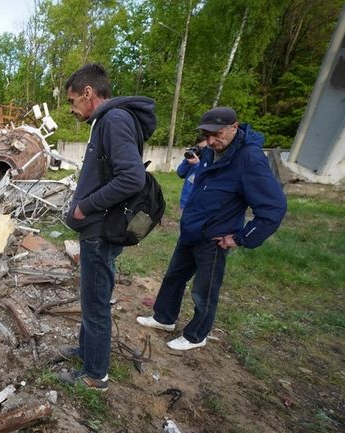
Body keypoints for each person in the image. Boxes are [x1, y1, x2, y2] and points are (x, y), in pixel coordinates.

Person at [136, 107, 287, 351]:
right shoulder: (210, 151)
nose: (211, 140)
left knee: (204, 290)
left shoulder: (249, 158)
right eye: (207, 134)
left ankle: (197, 335)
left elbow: (274, 207)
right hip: (192, 230)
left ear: (234, 127)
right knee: (174, 277)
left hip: (215, 237)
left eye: (217, 134)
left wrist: (241, 238)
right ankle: (164, 318)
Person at [60, 63, 157, 391]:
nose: (73, 109)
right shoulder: (109, 120)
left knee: (97, 301)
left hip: (100, 230)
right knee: (91, 297)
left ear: (88, 93)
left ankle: (95, 375)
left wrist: (85, 206)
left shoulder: (114, 120)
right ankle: (87, 352)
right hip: (98, 228)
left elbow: (132, 177)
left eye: (73, 101)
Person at [176, 134, 207, 211]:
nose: (201, 150)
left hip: (199, 206)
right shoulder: (194, 159)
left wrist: (197, 165)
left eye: (204, 148)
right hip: (185, 203)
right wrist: (187, 161)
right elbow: (180, 173)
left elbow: (203, 179)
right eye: (199, 148)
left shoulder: (211, 161)